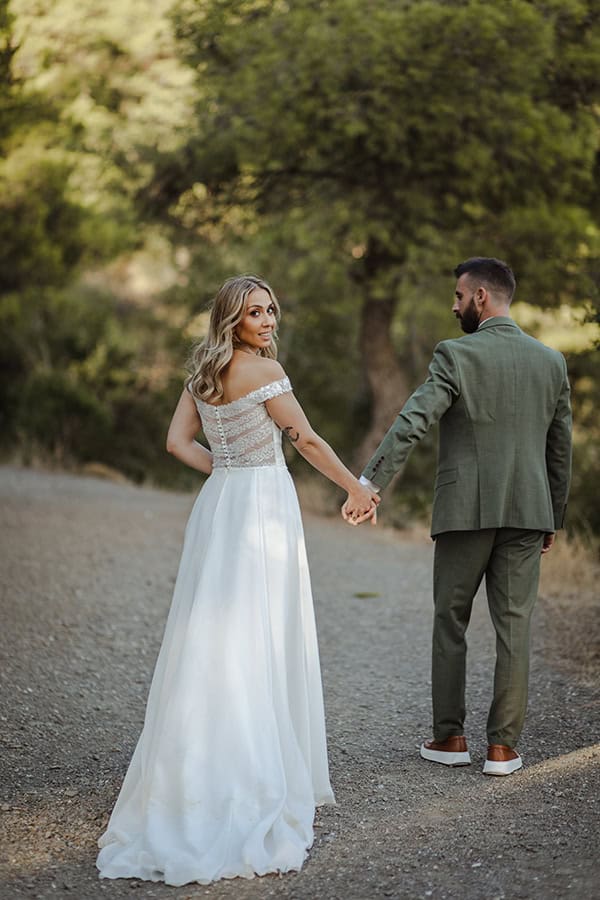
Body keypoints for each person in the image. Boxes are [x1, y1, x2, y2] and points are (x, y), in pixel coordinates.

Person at [96, 274, 378, 885]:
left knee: (214, 634)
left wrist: (225, 468)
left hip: (220, 503)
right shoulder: (260, 373)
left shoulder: (203, 373)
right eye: (256, 313)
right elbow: (303, 438)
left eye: (272, 310)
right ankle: (250, 773)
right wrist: (354, 486)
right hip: (261, 505)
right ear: (234, 319)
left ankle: (194, 767)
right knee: (257, 631)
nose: (268, 320)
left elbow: (176, 443)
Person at [344, 257, 572, 776]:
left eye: (458, 296)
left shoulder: (456, 355)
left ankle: (449, 739)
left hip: (464, 510)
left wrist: (369, 482)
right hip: (527, 513)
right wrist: (552, 517)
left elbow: (413, 419)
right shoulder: (551, 362)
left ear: (482, 298)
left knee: (451, 621)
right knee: (514, 627)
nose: (454, 306)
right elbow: (561, 449)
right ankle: (502, 750)